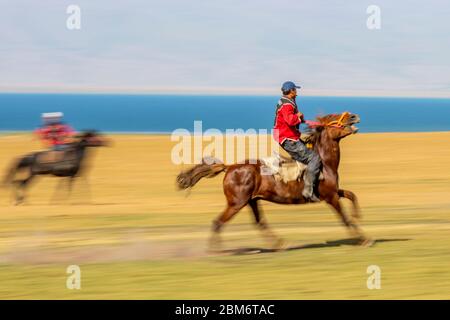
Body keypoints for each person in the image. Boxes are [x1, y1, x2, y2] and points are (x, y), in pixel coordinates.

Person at [273, 81, 321, 202]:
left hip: (288, 136)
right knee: (314, 158)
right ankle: (308, 191)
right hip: (288, 138)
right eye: (295, 89)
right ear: (291, 91)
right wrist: (298, 116)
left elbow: (295, 119)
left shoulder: (286, 101)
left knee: (309, 150)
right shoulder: (287, 105)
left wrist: (311, 122)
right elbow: (290, 120)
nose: (296, 91)